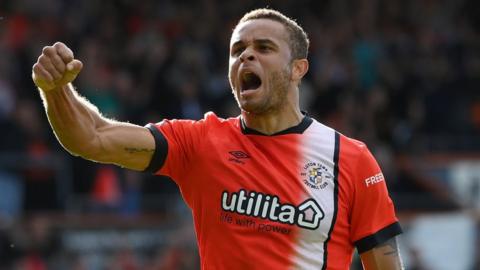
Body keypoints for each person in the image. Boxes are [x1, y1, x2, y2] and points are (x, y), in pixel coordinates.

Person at [32, 8, 404, 270]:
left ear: (298, 69)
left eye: (264, 48)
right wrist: (56, 91)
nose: (247, 57)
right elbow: (92, 137)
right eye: (237, 51)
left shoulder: (351, 160)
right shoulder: (199, 143)